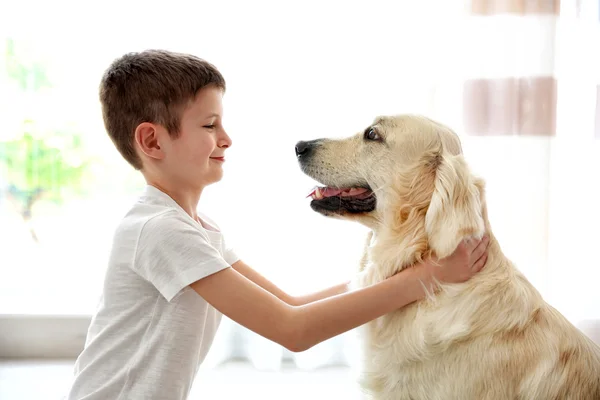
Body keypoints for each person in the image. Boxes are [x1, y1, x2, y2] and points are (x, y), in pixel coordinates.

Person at [65, 49, 490, 400]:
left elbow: (293, 303)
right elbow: (293, 330)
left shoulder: (196, 227)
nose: (226, 138)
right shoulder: (160, 231)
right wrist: (429, 277)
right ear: (152, 141)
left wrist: (394, 274)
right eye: (210, 126)